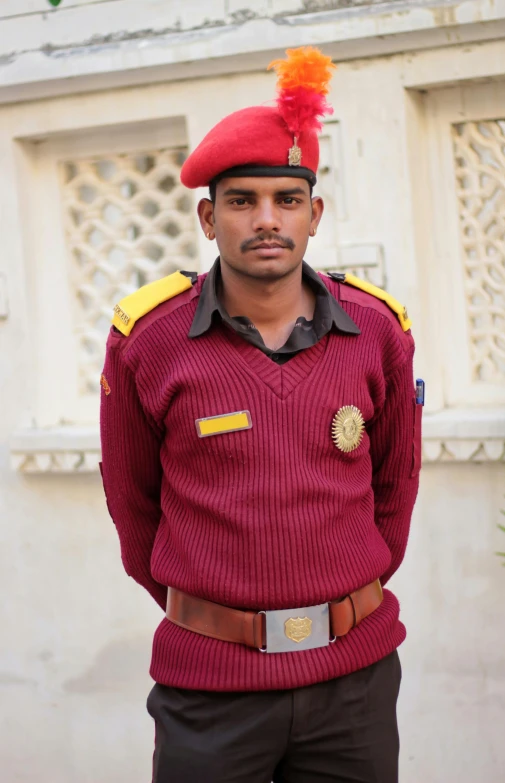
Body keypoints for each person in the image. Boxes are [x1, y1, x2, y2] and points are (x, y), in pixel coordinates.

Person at [100, 46, 422, 783]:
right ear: (209, 218)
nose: (266, 219)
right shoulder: (147, 341)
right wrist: (222, 616)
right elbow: (134, 508)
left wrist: (341, 593)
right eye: (242, 201)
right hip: (211, 687)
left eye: (285, 199)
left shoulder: (378, 331)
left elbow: (394, 491)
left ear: (315, 212)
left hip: (355, 680)